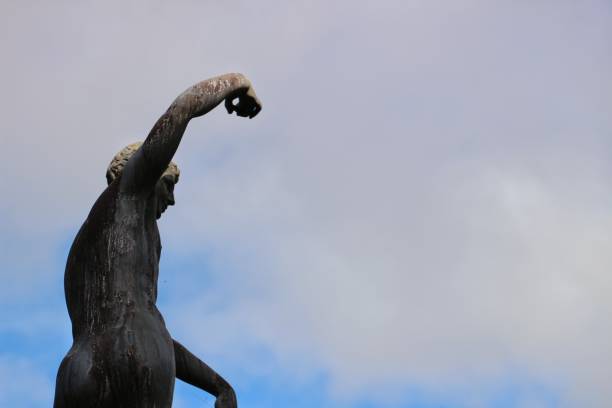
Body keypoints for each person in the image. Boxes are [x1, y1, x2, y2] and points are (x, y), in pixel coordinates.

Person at [53, 73, 262, 408]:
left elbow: (147, 325)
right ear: (151, 174)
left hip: (76, 368)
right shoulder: (129, 194)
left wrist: (218, 385)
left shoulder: (90, 242)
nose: (172, 200)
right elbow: (181, 110)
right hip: (137, 358)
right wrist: (236, 83)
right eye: (170, 186)